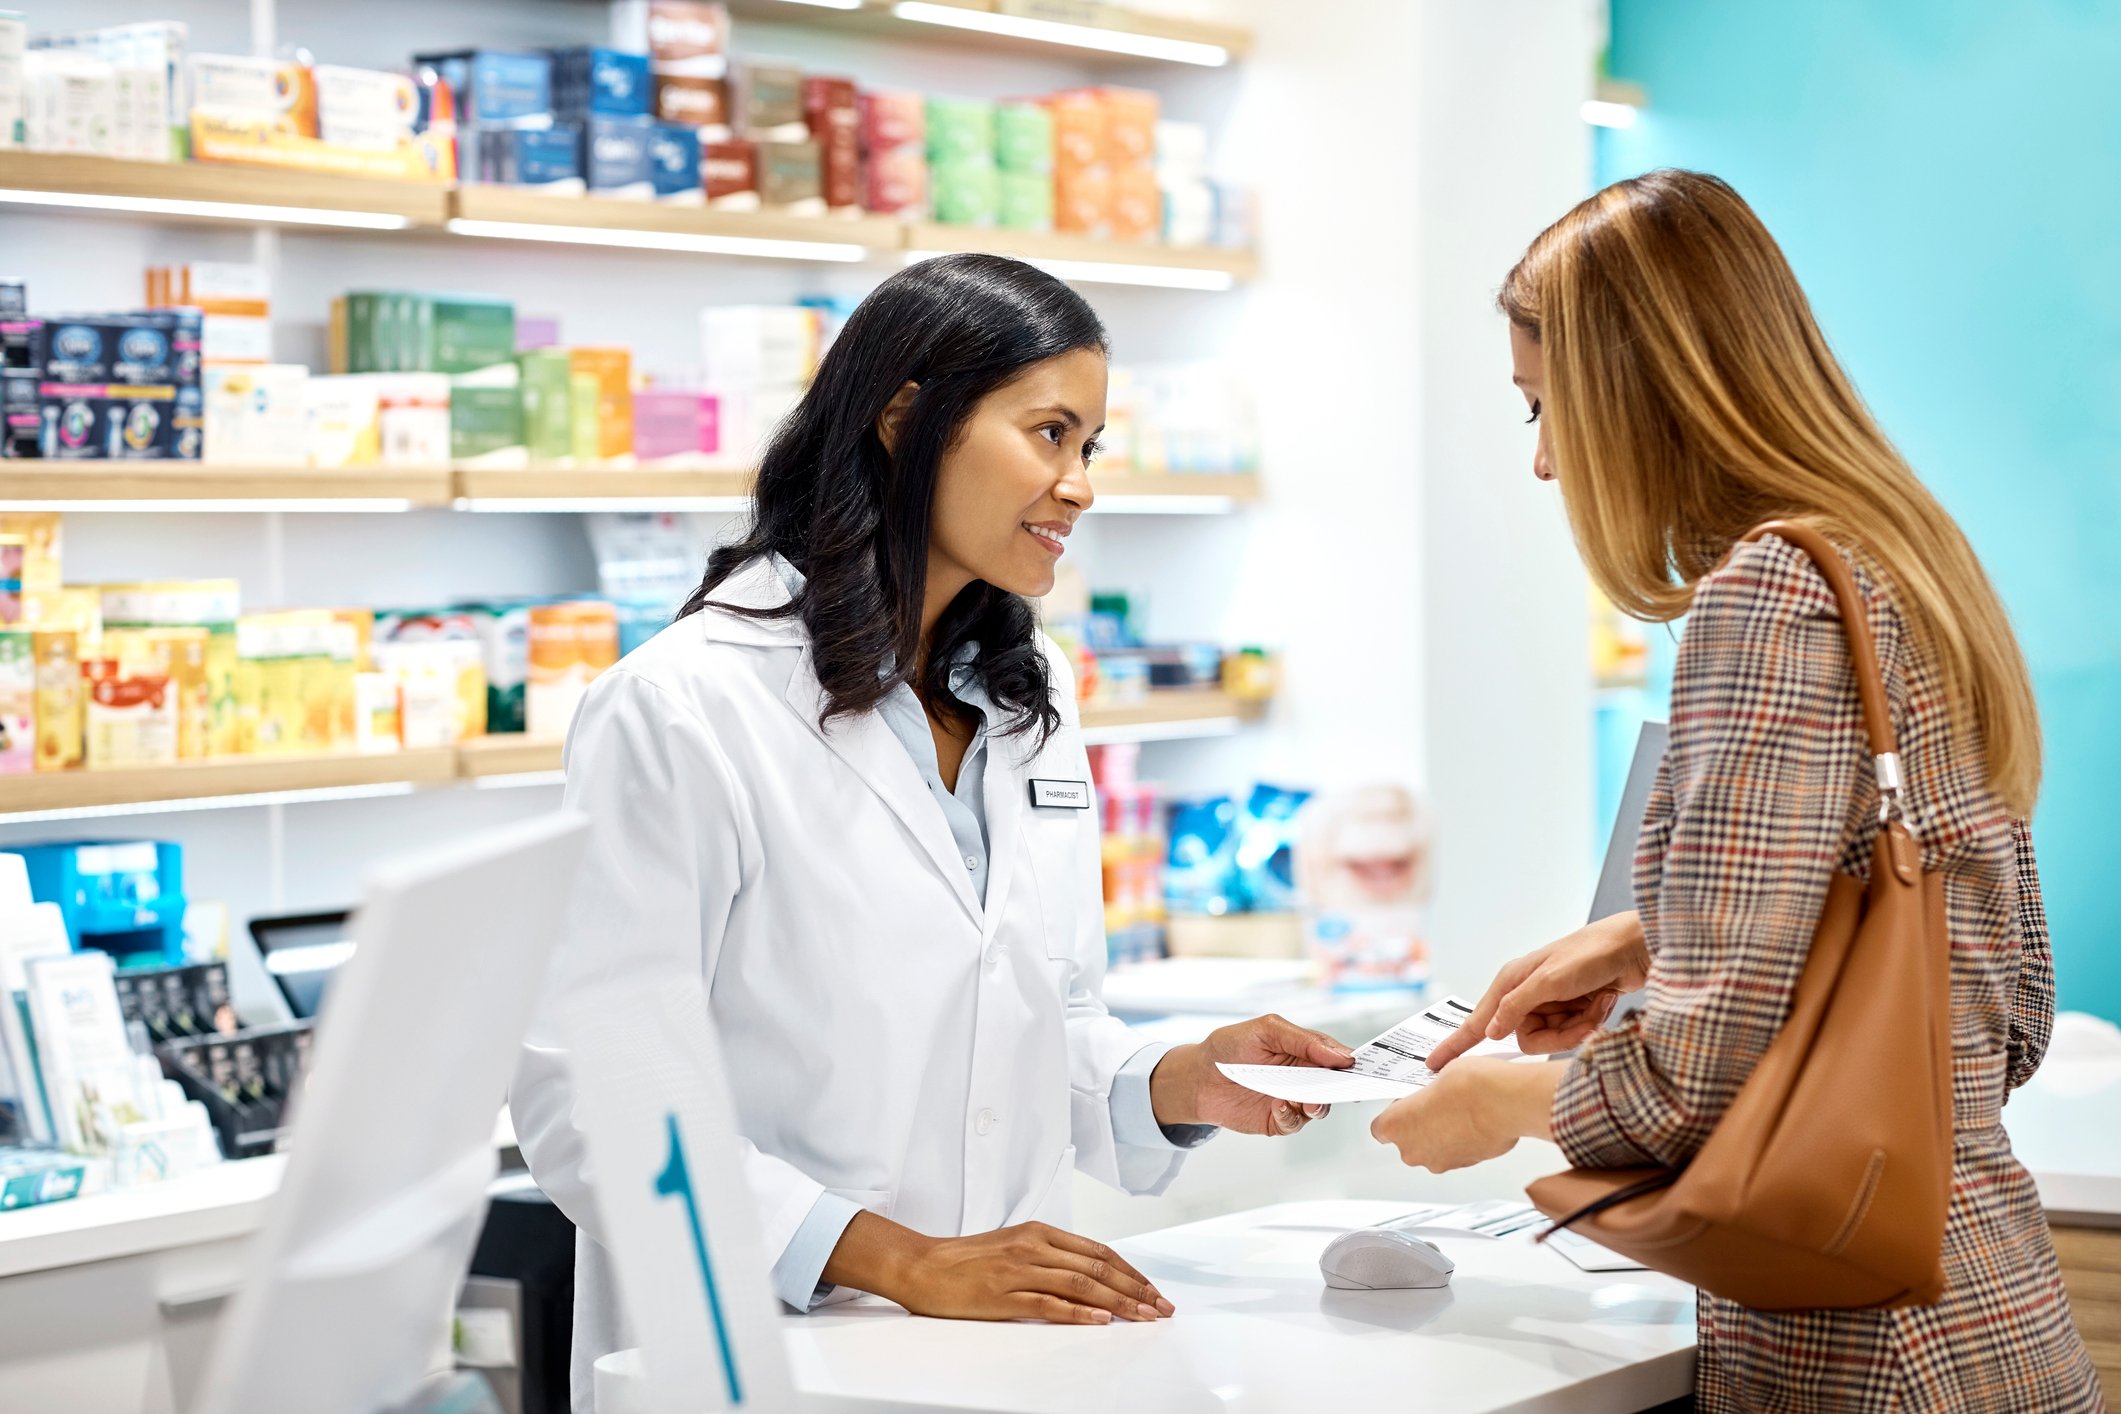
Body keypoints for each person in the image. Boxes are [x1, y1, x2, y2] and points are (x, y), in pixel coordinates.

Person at [512, 253, 1355, 1403]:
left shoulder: (1024, 694)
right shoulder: (684, 704)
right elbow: (598, 1103)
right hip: (760, 1361)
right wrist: (905, 1261)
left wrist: (1182, 1077)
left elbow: (1034, 1028)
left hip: (1001, 1358)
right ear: (908, 420)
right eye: (1049, 433)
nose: (1079, 485)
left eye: (1090, 446)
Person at [1372, 171, 2101, 1410]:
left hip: (1859, 1356)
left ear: (1640, 397)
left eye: (1549, 408)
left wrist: (1497, 1102)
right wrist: (1653, 936)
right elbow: (2004, 1007)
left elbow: (1688, 1085)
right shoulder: (1908, 563)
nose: (1547, 462)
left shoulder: (1766, 595)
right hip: (1996, 1315)